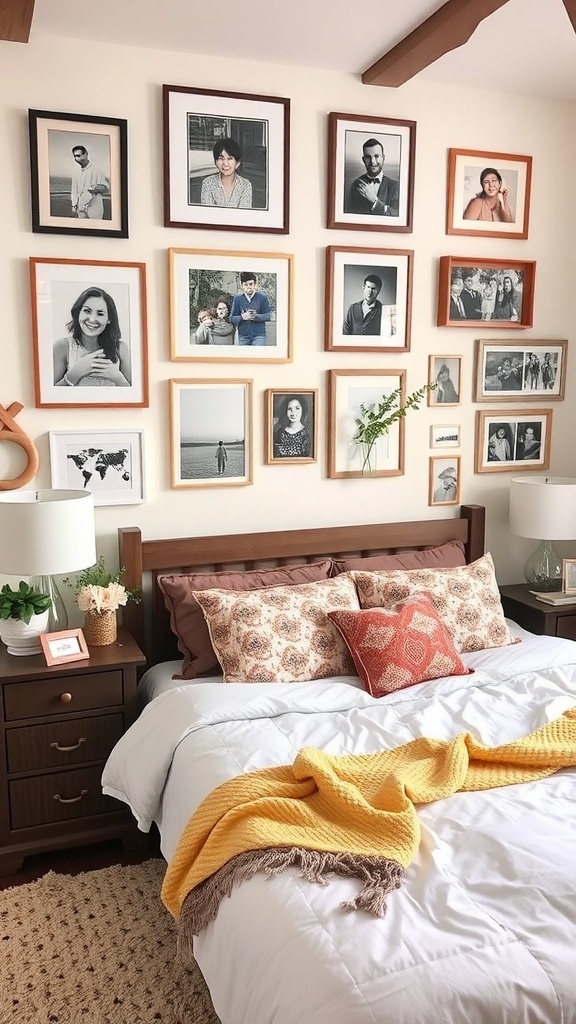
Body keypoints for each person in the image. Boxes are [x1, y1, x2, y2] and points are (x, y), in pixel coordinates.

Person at [53, 287, 131, 387]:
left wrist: (117, 378)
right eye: (87, 311)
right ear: (78, 313)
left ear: (109, 319)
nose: (92, 319)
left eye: (100, 313)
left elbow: (135, 395)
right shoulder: (62, 347)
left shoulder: (120, 349)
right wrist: (73, 375)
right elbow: (49, 396)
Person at [347, 138, 399, 217]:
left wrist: (375, 202)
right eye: (368, 157)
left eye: (376, 156)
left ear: (383, 158)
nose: (372, 162)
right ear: (363, 160)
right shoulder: (356, 185)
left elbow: (398, 216)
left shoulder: (396, 186)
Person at [200, 138, 252, 209]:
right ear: (216, 162)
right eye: (221, 158)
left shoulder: (245, 185)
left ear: (237, 163)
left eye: (230, 158)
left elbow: (244, 215)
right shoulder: (208, 183)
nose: (225, 163)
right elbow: (207, 214)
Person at [230, 272, 271, 346]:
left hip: (259, 335)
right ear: (241, 286)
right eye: (246, 284)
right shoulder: (237, 299)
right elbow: (232, 318)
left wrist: (256, 316)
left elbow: (268, 316)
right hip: (243, 336)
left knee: (257, 356)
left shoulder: (262, 298)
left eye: (251, 284)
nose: (249, 287)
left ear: (255, 284)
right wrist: (242, 317)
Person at [70, 145, 109, 219]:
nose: (76, 158)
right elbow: (74, 191)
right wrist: (73, 206)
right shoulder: (76, 173)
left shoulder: (97, 171)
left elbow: (107, 188)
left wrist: (97, 188)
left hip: (94, 209)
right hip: (80, 210)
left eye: (78, 155)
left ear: (86, 154)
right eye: (74, 156)